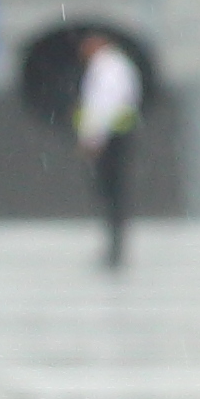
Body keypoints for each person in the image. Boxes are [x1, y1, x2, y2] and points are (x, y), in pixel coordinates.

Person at [70, 34, 142, 267]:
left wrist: (92, 137)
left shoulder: (107, 68)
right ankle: (115, 245)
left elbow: (102, 104)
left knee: (111, 192)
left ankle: (115, 248)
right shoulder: (114, 66)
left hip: (112, 137)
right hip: (117, 136)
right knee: (113, 193)